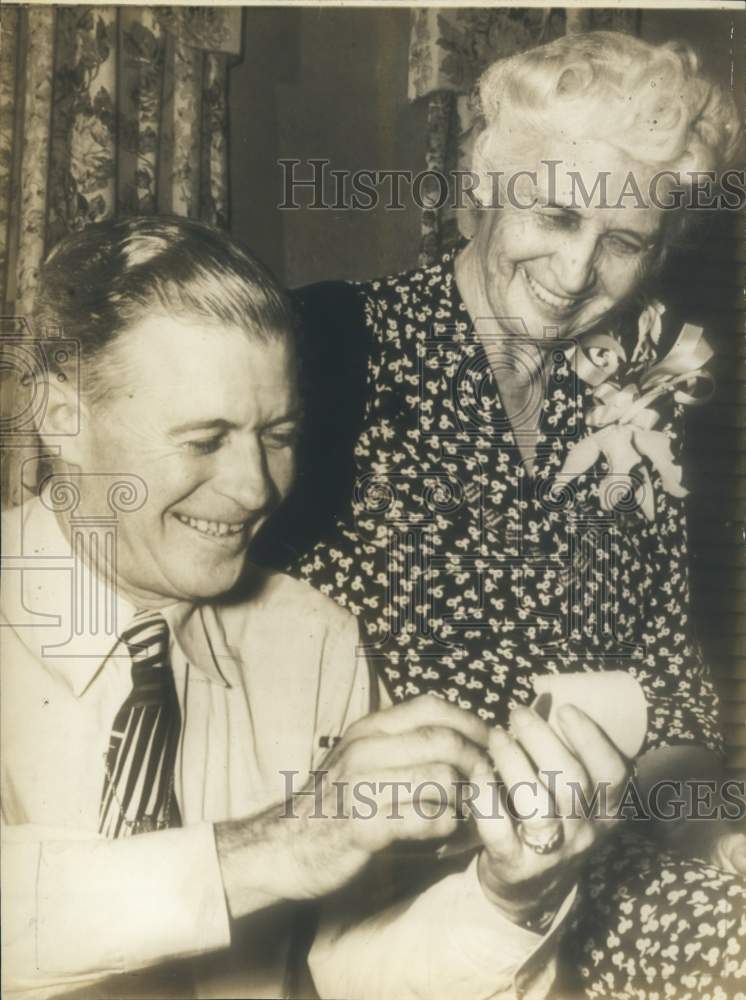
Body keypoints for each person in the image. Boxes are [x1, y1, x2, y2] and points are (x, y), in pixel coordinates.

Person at [1, 216, 639, 1000]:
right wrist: (282, 844)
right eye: (205, 439)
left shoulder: (314, 640)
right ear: (59, 415)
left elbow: (352, 974)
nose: (256, 488)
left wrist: (510, 896)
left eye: (278, 434)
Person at [256, 31, 746, 997]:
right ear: (486, 184)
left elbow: (680, 710)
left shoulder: (630, 405)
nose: (575, 273)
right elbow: (221, 672)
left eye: (623, 242)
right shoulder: (328, 350)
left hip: (599, 871)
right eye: (556, 214)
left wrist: (706, 826)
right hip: (389, 898)